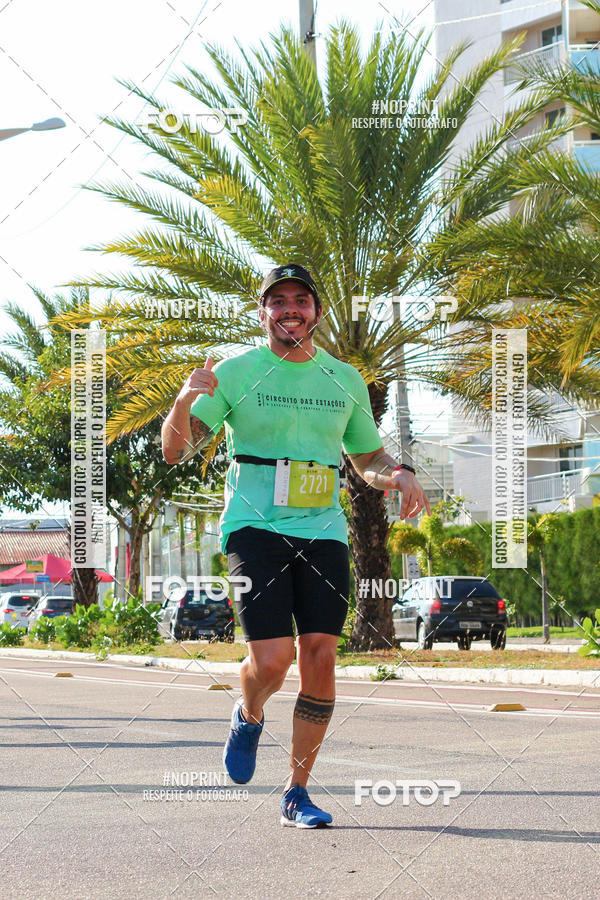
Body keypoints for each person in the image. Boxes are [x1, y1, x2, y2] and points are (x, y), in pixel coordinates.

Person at [161, 263, 430, 828]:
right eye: (277, 300)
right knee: (272, 659)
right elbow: (175, 451)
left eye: (300, 300)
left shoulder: (344, 380)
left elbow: (367, 460)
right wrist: (184, 400)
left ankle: (296, 792)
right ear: (262, 312)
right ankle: (249, 712)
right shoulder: (234, 373)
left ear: (317, 313)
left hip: (324, 529)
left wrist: (399, 474)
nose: (290, 309)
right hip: (253, 528)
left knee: (321, 656)